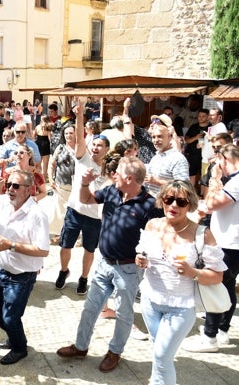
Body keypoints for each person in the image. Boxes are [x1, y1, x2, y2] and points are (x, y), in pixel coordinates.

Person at [57, 156, 158, 373]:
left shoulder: (150, 205)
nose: (113, 175)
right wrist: (84, 183)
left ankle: (114, 352)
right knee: (90, 308)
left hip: (129, 269)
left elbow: (160, 235)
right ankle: (81, 346)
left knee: (123, 313)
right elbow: (86, 200)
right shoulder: (112, 190)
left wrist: (147, 255)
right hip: (104, 263)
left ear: (129, 178)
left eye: (118, 173)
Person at [135, 180, 225, 383]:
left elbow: (218, 275)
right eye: (169, 199)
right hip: (150, 301)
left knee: (161, 356)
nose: (174, 205)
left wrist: (193, 273)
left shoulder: (202, 234)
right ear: (162, 201)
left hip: (180, 308)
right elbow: (141, 253)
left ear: (190, 204)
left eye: (181, 201)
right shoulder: (152, 225)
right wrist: (140, 260)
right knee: (161, 353)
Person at [0, 169, 49, 365]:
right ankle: (14, 337)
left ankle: (20, 348)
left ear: (29, 190)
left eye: (15, 186)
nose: (9, 189)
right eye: (8, 185)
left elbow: (43, 250)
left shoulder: (37, 215)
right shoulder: (4, 201)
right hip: (1, 271)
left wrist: (10, 245)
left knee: (11, 317)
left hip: (22, 276)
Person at [183, 143, 239, 353]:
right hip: (231, 242)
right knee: (227, 286)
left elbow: (211, 204)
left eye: (218, 162)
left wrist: (215, 179)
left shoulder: (235, 182)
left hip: (230, 244)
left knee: (214, 286)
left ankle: (210, 337)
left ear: (224, 159)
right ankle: (222, 331)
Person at [55, 101, 109, 295]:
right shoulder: (83, 157)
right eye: (93, 144)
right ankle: (63, 271)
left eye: (99, 146)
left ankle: (84, 277)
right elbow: (79, 138)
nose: (95, 148)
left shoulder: (109, 169)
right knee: (65, 246)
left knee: (89, 250)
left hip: (94, 217)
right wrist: (79, 116)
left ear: (106, 150)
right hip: (74, 211)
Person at [144, 116, 189, 197]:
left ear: (170, 137)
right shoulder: (155, 158)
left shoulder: (178, 158)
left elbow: (183, 187)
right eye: (153, 137)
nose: (156, 140)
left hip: (166, 205)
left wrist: (156, 181)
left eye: (160, 136)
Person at [47, 124, 76, 242]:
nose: (68, 135)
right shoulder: (60, 147)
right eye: (66, 133)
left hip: (77, 186)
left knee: (76, 211)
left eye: (71, 133)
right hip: (61, 185)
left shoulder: (81, 148)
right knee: (60, 211)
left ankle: (74, 234)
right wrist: (50, 178)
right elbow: (52, 164)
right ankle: (59, 234)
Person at [35, 115, 52, 180]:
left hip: (38, 144)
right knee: (45, 164)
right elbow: (49, 138)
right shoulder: (48, 127)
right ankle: (44, 179)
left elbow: (34, 135)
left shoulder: (37, 127)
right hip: (46, 145)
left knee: (38, 163)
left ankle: (38, 178)